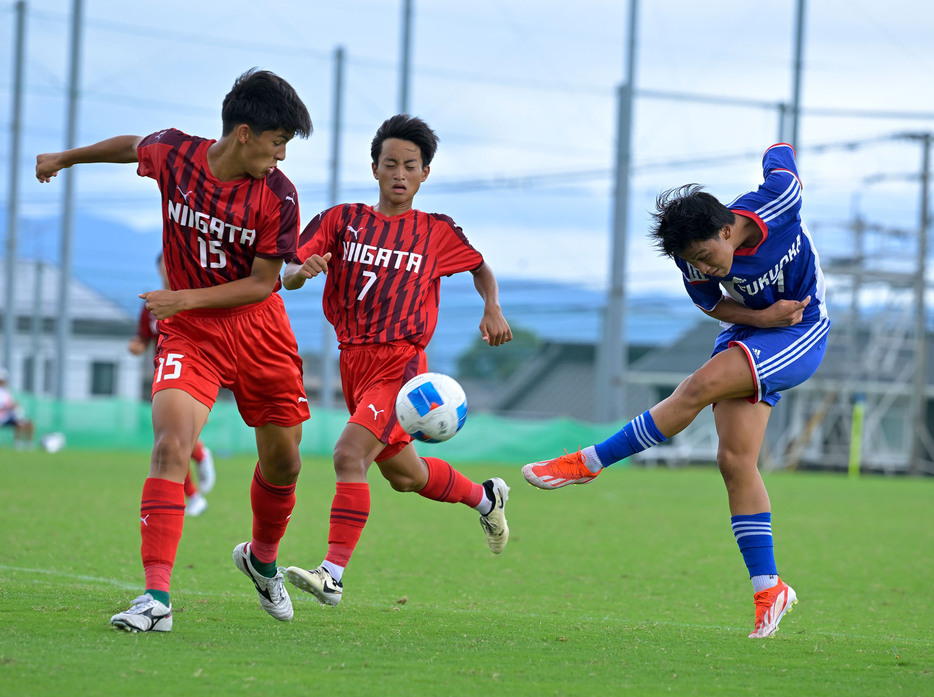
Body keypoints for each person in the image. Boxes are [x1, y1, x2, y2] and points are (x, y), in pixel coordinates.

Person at [36, 68, 314, 632]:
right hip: (193, 336)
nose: (282, 156)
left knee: (283, 464)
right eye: (278, 141)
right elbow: (131, 146)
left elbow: (264, 283)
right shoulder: (175, 154)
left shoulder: (278, 196)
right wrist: (66, 157)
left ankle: (262, 560)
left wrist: (183, 297)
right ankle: (155, 597)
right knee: (170, 445)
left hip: (260, 333)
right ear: (243, 133)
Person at [523, 143, 830, 639]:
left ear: (727, 229)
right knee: (734, 462)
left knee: (698, 386)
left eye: (708, 255)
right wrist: (759, 317)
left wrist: (776, 147)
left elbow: (781, 154)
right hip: (755, 331)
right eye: (693, 262)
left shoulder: (780, 199)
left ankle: (589, 463)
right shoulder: (693, 259)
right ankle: (769, 587)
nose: (705, 268)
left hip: (801, 331)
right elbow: (714, 305)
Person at [281, 114, 513, 607]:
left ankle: (332, 574)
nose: (400, 173)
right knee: (405, 475)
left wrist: (491, 307)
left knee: (348, 455)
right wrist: (303, 271)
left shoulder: (435, 232)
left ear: (425, 173)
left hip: (402, 365)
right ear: (374, 167)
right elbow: (288, 272)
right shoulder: (341, 220)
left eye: (411, 165)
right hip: (353, 362)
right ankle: (485, 497)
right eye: (391, 164)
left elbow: (479, 267)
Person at [129, 253, 216, 517]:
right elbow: (143, 337)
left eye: (171, 263)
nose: (166, 269)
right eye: (162, 265)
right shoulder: (153, 302)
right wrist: (137, 345)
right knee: (171, 441)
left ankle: (195, 489)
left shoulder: (193, 298)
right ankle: (198, 469)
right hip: (163, 375)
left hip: (194, 373)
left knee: (174, 439)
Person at [0, 367, 35, 450]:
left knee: (27, 423)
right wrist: (9, 407)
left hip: (7, 416)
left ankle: (23, 444)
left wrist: (15, 407)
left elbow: (10, 403)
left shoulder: (5, 391)